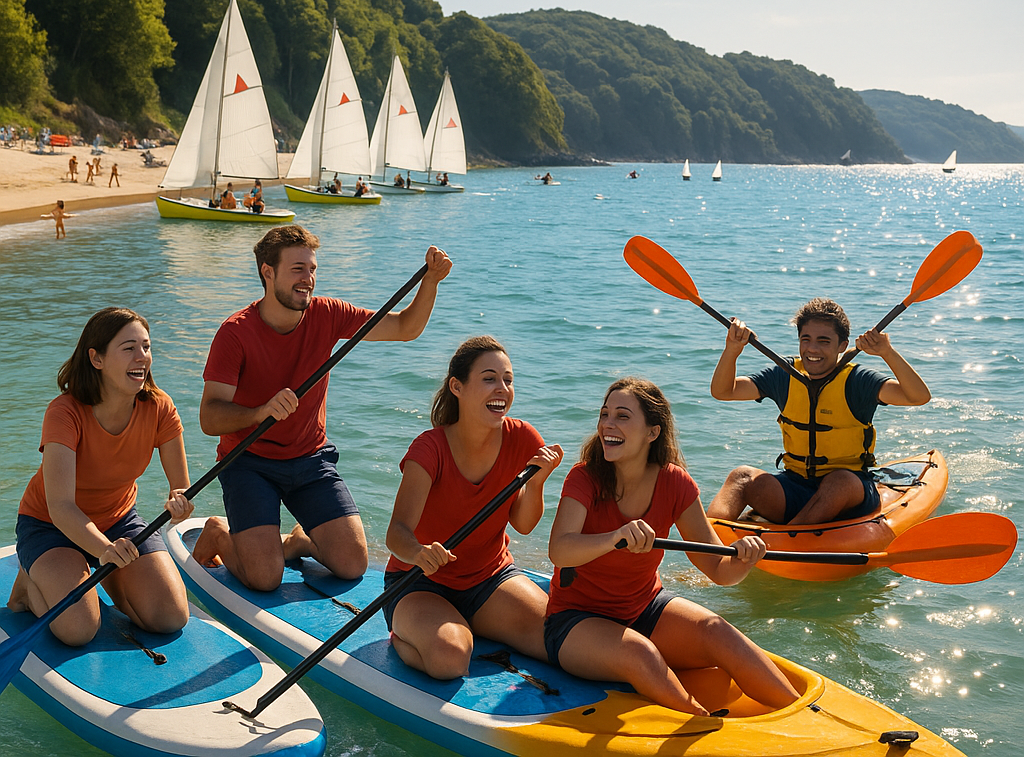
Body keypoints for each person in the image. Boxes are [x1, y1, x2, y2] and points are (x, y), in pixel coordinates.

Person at [191, 226, 452, 591]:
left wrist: (431, 282)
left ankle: (298, 540)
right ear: (268, 272)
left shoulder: (328, 313)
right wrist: (259, 412)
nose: (308, 279)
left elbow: (405, 328)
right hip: (248, 462)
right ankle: (219, 532)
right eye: (298, 269)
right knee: (265, 578)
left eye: (312, 269)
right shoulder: (235, 333)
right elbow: (209, 417)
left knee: (352, 564)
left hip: (310, 459)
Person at [545, 377, 800, 715]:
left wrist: (744, 560)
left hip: (644, 608)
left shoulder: (675, 482)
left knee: (720, 633)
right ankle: (703, 725)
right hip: (575, 621)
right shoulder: (585, 476)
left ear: (653, 432)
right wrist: (615, 537)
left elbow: (719, 571)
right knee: (640, 654)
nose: (607, 424)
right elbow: (560, 550)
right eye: (605, 414)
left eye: (622, 416)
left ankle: (807, 716)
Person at [6, 308, 194, 646]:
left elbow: (180, 488)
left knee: (170, 617)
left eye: (146, 347)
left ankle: (100, 577)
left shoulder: (160, 407)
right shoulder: (64, 412)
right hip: (50, 526)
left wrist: (180, 504)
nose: (142, 357)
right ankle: (28, 587)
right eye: (129, 348)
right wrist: (105, 549)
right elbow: (61, 507)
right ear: (97, 359)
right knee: (78, 631)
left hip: (119, 521)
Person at [385, 336, 563, 679]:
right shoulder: (429, 449)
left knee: (559, 637)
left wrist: (538, 482)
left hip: (490, 579)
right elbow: (396, 534)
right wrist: (419, 552)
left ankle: (471, 622)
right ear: (457, 387)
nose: (502, 389)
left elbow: (524, 525)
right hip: (419, 580)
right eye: (489, 378)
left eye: (508, 380)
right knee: (450, 659)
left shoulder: (523, 438)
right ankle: (407, 636)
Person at [706, 298, 931, 526]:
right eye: (806, 339)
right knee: (741, 477)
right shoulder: (784, 374)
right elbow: (723, 391)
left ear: (842, 345)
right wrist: (732, 349)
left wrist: (887, 352)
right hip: (794, 486)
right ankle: (706, 539)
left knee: (839, 482)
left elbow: (918, 396)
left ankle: (790, 538)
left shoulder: (858, 380)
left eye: (824, 341)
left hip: (849, 492)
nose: (812, 349)